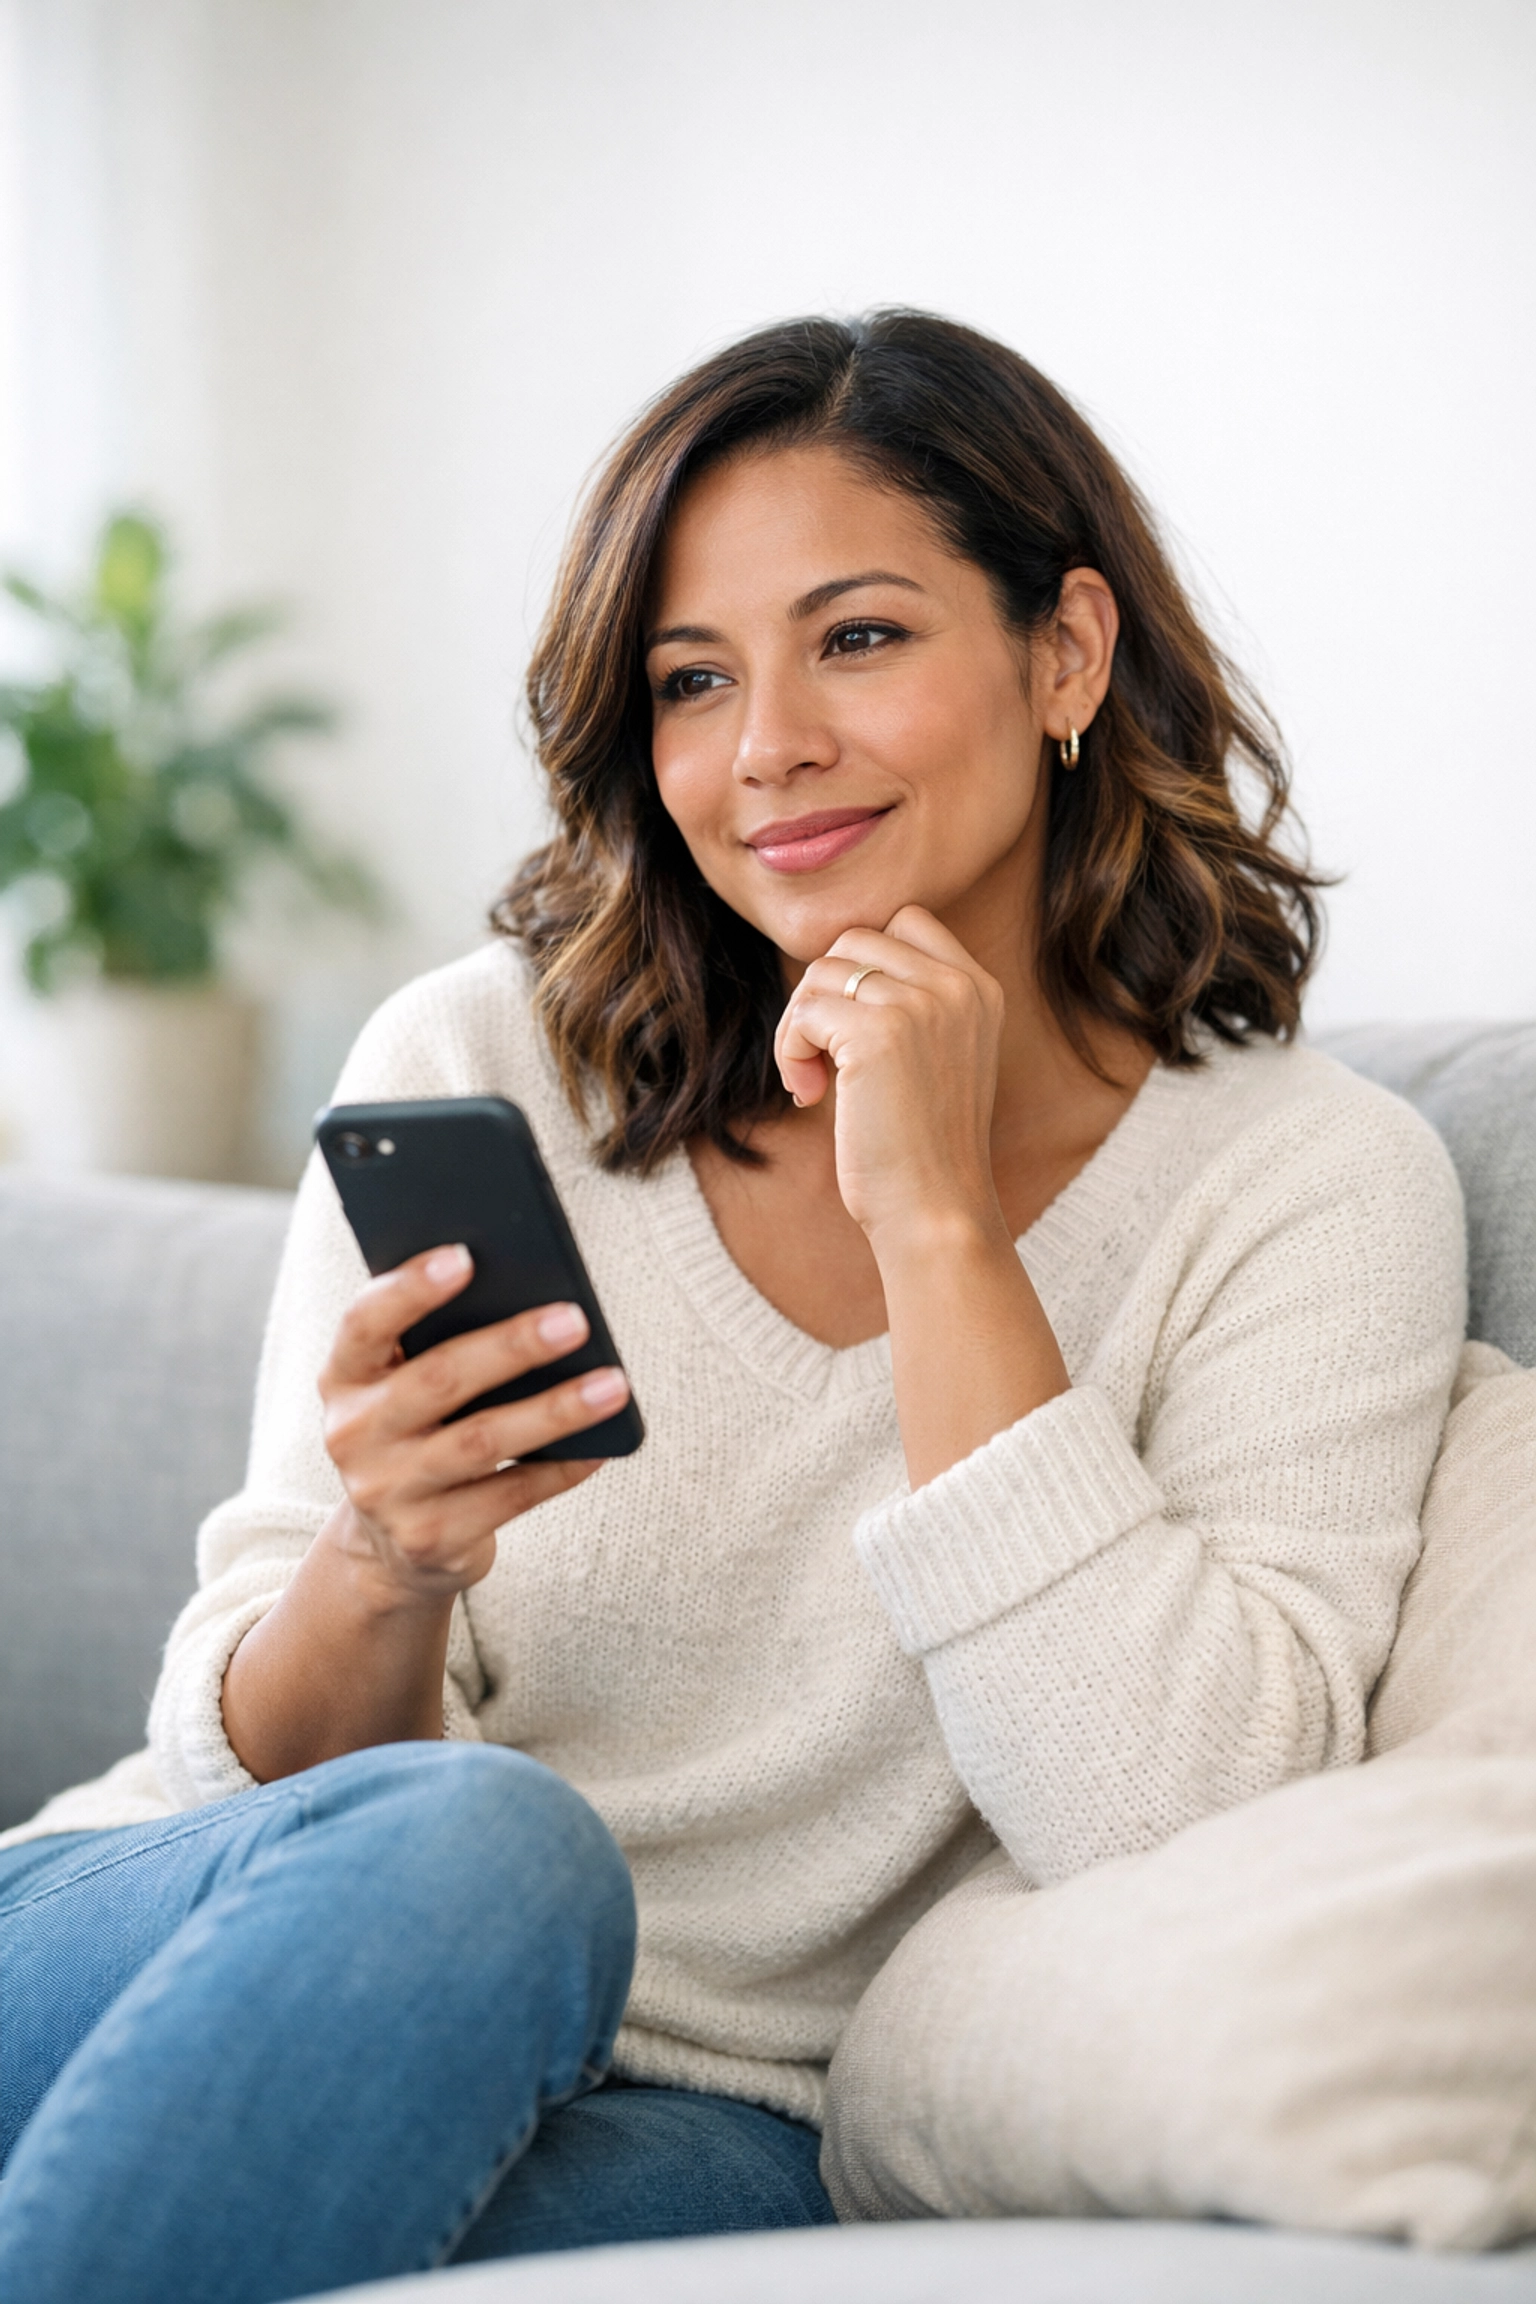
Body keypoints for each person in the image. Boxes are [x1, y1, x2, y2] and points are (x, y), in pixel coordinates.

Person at [0, 312, 1465, 2304]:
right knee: (478, 1848)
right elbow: (266, 1787)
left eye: (857, 638)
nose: (763, 745)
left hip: (715, 2115)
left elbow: (1175, 1821)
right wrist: (383, 1558)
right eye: (693, 679)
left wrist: (945, 1228)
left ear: (1066, 653)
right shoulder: (483, 1062)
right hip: (167, 1930)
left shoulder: (1306, 1183)